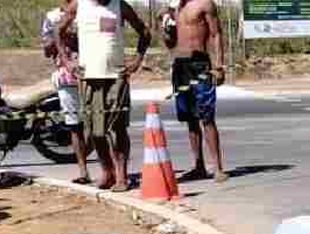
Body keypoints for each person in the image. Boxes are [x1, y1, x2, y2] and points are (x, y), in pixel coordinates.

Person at [56, 0, 151, 192]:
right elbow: (58, 31)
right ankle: (107, 171)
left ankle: (121, 176)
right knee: (95, 130)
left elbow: (145, 32)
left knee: (118, 128)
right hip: (88, 77)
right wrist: (67, 61)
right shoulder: (78, 5)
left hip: (116, 76)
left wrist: (137, 59)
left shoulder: (120, 5)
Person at [162, 0, 227, 182]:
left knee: (207, 116)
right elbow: (170, 43)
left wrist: (219, 66)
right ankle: (199, 166)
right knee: (190, 118)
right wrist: (165, 27)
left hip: (199, 63)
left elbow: (216, 34)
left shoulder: (204, 4)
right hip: (180, 65)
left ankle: (218, 167)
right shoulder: (174, 8)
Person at [41, 2, 90, 183]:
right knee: (74, 125)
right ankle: (83, 172)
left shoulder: (88, 12)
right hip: (66, 76)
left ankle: (110, 171)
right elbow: (47, 50)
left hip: (92, 72)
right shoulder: (52, 17)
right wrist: (59, 35)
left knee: (99, 124)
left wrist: (74, 37)